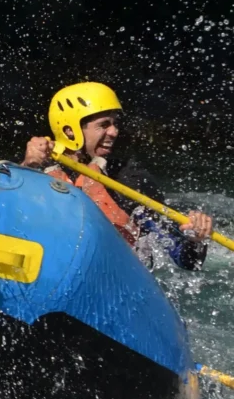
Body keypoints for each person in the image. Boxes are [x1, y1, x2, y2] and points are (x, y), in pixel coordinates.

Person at [21, 81, 213, 270]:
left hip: (112, 275)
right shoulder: (42, 166)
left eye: (114, 124)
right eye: (103, 125)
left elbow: (185, 259)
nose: (114, 132)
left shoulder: (129, 179)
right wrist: (26, 166)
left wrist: (195, 239)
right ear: (70, 130)